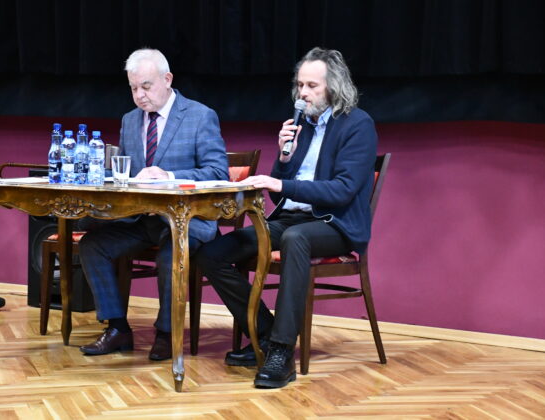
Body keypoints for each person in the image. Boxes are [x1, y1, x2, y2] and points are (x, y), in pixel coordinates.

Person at [196, 47, 378, 388]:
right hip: (293, 220)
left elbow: (341, 191)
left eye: (312, 86)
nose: (303, 93)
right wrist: (283, 158)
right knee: (213, 253)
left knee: (297, 239)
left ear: (334, 86)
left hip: (335, 224)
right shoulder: (300, 126)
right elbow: (280, 197)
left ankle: (281, 353)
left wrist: (279, 181)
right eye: (300, 85)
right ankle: (264, 334)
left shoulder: (357, 125)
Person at [78, 48, 229, 361]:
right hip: (142, 219)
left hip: (187, 221)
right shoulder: (130, 120)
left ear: (167, 79)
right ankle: (117, 328)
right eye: (133, 88)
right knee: (92, 245)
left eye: (146, 86)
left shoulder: (200, 116)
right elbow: (128, 173)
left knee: (170, 254)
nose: (139, 95)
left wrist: (169, 176)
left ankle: (166, 333)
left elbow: (218, 173)